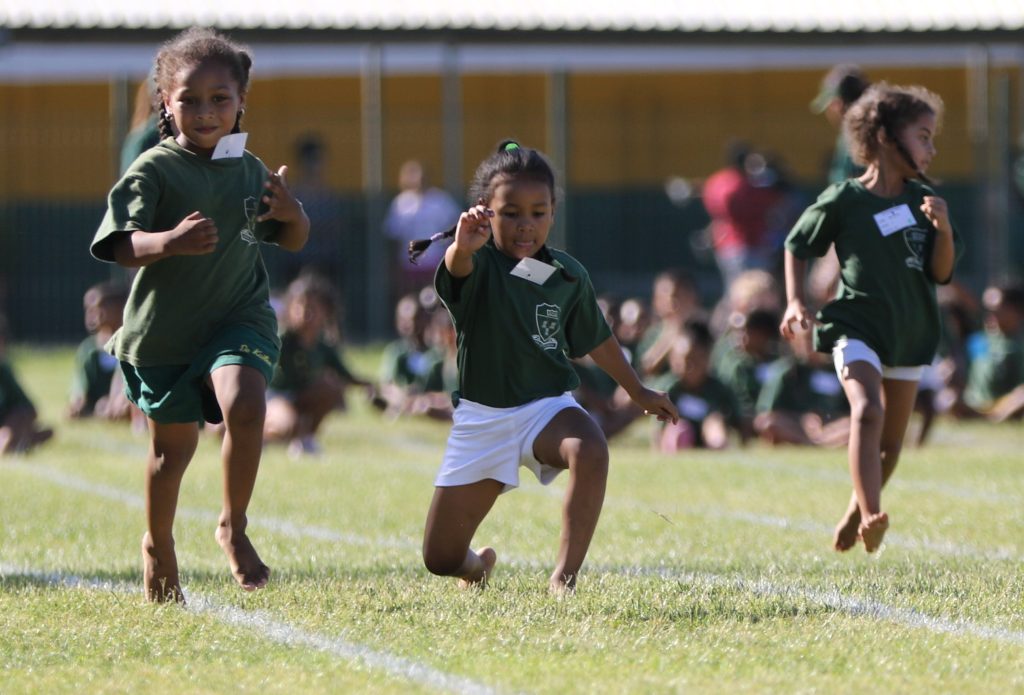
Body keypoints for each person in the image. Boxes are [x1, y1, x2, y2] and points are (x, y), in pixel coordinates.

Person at [90, 27, 310, 602]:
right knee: (171, 455)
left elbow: (291, 239)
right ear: (165, 101)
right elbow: (118, 244)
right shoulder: (153, 169)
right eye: (189, 99)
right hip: (166, 334)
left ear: (241, 102)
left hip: (238, 317)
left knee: (245, 402)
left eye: (220, 98)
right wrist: (169, 241)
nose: (206, 111)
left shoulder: (250, 169)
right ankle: (159, 545)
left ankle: (233, 526)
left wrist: (292, 210)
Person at [415, 140, 678, 592]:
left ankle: (564, 578)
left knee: (591, 448)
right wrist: (461, 246)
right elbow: (456, 268)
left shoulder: (566, 275)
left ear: (553, 212)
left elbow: (597, 338)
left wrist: (638, 392)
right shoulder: (476, 262)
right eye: (512, 212)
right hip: (483, 419)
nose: (525, 225)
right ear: (485, 212)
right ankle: (477, 567)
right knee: (439, 558)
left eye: (538, 212)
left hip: (546, 410)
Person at [781, 83, 960, 554]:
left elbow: (941, 273)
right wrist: (796, 301)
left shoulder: (926, 203)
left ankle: (855, 510)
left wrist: (942, 230)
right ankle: (872, 513)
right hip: (855, 327)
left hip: (910, 331)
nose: (931, 147)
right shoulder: (845, 199)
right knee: (867, 410)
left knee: (892, 447)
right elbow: (797, 245)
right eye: (923, 135)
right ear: (883, 137)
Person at [264, 273, 372, 458]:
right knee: (287, 425)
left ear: (327, 312)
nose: (306, 313)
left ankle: (305, 439)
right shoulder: (282, 340)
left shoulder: (323, 346)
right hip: (276, 397)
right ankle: (260, 435)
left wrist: (373, 386)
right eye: (301, 306)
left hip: (301, 397)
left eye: (314, 307)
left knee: (331, 388)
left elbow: (346, 375)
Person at [657, 320, 743, 452]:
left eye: (696, 360)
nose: (690, 367)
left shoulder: (718, 388)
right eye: (685, 361)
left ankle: (719, 452)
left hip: (708, 435)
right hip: (678, 434)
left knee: (714, 423)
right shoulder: (670, 387)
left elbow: (738, 421)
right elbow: (659, 428)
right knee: (680, 429)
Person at [384, 159, 461, 302]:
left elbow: (455, 226)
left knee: (434, 302)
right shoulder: (400, 203)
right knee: (410, 302)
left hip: (434, 263)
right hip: (409, 264)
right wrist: (394, 265)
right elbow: (394, 236)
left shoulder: (440, 200)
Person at [68, 281, 134, 421]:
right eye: (88, 309)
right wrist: (79, 401)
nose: (91, 315)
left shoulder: (130, 345)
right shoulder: (89, 349)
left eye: (98, 308)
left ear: (119, 308)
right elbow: (80, 385)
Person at [962, 283, 1024, 421]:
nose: (990, 314)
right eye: (987, 309)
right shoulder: (981, 338)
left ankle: (994, 417)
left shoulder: (1018, 345)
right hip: (976, 404)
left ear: (1016, 311)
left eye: (996, 309)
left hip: (1008, 404)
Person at [0, 314, 54, 455]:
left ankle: (20, 439)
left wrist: (16, 423)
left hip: (4, 427)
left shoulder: (4, 372)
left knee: (21, 416)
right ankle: (24, 439)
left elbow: (29, 409)